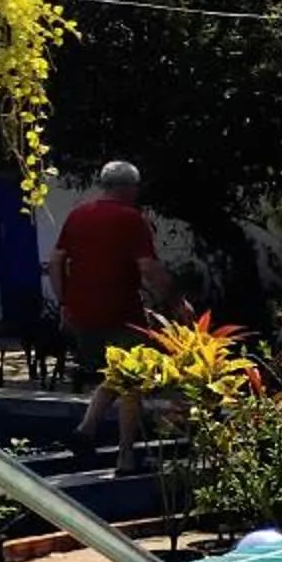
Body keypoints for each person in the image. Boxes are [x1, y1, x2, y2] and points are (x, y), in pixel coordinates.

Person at [45, 161, 171, 474]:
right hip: (121, 313)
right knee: (131, 382)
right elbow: (147, 268)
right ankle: (126, 457)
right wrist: (173, 300)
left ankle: (85, 431)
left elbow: (57, 260)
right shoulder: (131, 219)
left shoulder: (78, 215)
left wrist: (63, 303)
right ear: (129, 187)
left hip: (83, 316)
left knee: (115, 375)